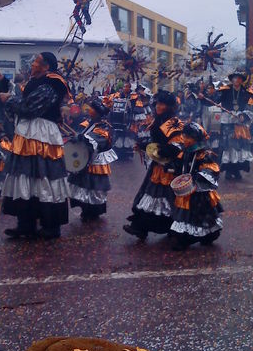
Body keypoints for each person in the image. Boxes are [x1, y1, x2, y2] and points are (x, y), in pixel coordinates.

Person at [0, 52, 71, 240]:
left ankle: (50, 225)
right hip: (27, 133)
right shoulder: (34, 80)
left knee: (44, 177)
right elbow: (20, 93)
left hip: (42, 134)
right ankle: (26, 223)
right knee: (25, 176)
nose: (33, 64)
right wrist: (2, 81)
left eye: (36, 61)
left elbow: (30, 107)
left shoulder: (52, 83)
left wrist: (9, 100)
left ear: (46, 67)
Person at [123, 90, 183, 241]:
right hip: (158, 164)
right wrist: (144, 145)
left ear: (169, 106)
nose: (158, 106)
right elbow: (155, 142)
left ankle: (171, 227)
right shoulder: (157, 120)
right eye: (157, 103)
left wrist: (163, 150)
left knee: (166, 199)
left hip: (170, 167)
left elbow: (177, 146)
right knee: (149, 195)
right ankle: (140, 227)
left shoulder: (174, 123)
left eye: (162, 104)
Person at [169, 122, 223, 251]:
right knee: (186, 214)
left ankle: (191, 238)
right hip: (186, 190)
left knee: (200, 215)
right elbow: (178, 164)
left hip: (199, 191)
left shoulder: (204, 154)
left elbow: (211, 170)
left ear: (196, 139)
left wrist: (200, 175)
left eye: (189, 137)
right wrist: (171, 166)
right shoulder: (185, 151)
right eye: (185, 136)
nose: (185, 139)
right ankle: (185, 236)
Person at [68, 100, 117, 221]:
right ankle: (85, 208)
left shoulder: (104, 126)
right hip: (85, 157)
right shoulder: (88, 122)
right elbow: (81, 134)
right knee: (84, 185)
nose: (89, 110)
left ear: (97, 112)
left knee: (94, 185)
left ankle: (93, 211)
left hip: (96, 160)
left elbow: (98, 140)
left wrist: (82, 139)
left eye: (92, 109)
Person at [216, 71, 253, 180]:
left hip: (241, 124)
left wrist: (244, 115)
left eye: (239, 78)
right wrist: (203, 96)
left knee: (240, 147)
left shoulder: (246, 93)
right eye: (235, 78)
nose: (237, 80)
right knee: (229, 147)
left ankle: (237, 170)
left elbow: (252, 107)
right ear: (232, 80)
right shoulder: (225, 91)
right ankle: (229, 171)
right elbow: (214, 100)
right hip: (228, 123)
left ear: (241, 80)